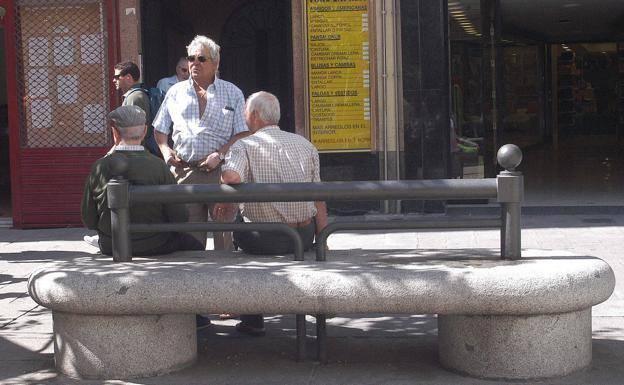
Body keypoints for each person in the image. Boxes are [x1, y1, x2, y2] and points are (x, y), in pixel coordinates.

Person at [218, 91, 328, 336]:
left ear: (255, 116)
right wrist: (322, 239)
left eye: (246, 112)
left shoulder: (244, 145)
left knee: (237, 222)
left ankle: (253, 318)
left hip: (264, 238)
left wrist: (222, 174)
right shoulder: (305, 144)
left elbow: (233, 177)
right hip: (303, 234)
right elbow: (319, 197)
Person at [153, 35, 249, 250]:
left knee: (224, 240)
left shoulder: (232, 92)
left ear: (215, 63)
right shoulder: (175, 92)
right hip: (185, 173)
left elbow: (242, 134)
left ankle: (226, 282)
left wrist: (220, 154)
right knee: (189, 240)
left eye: (201, 58)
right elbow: (159, 130)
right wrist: (166, 151)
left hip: (221, 174)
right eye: (191, 58)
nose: (194, 63)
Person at [81, 105, 203, 256]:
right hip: (155, 243)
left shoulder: (99, 167)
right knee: (194, 244)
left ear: (115, 133)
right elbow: (179, 216)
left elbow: (89, 219)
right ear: (145, 131)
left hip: (111, 245)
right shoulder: (159, 166)